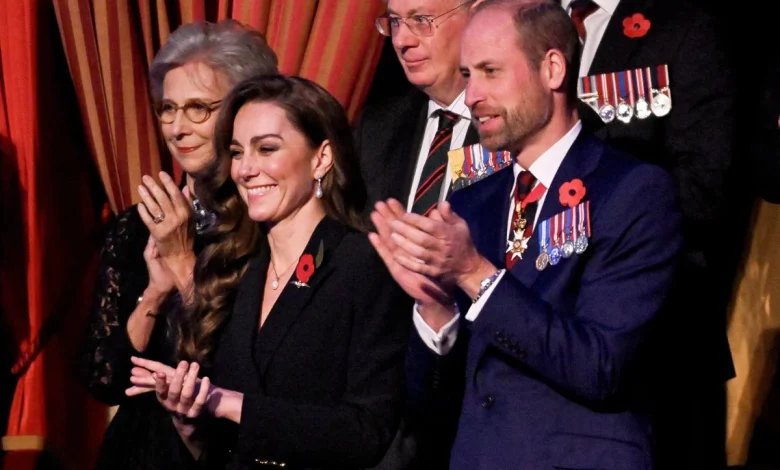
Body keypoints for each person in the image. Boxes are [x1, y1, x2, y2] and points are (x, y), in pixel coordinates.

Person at [369, 0, 683, 468]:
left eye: (491, 72)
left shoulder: (631, 191)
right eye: (468, 74)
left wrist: (475, 273)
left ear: (552, 68)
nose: (472, 95)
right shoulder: (472, 204)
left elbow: (601, 366)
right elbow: (432, 407)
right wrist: (434, 311)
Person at [125, 75, 412, 470]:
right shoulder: (234, 269)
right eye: (238, 152)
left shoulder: (363, 264)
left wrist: (227, 403)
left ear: (321, 158)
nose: (245, 169)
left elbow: (368, 432)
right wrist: (188, 416)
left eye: (267, 149)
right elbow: (216, 449)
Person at [78, 20, 278, 469]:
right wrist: (155, 292)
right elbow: (103, 377)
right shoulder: (138, 226)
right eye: (167, 108)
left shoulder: (268, 225)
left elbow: (246, 372)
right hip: (136, 453)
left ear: (243, 110)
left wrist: (184, 262)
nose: (177, 127)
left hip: (222, 454)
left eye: (198, 109)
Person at [560, 0, 738, 464]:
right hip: (541, 346)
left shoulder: (684, 28)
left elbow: (706, 190)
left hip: (655, 344)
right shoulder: (524, 20)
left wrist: (582, 225)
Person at [355, 0, 480, 215]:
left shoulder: (519, 123)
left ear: (476, 17)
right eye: (395, 21)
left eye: (421, 20)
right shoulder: (378, 128)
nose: (401, 40)